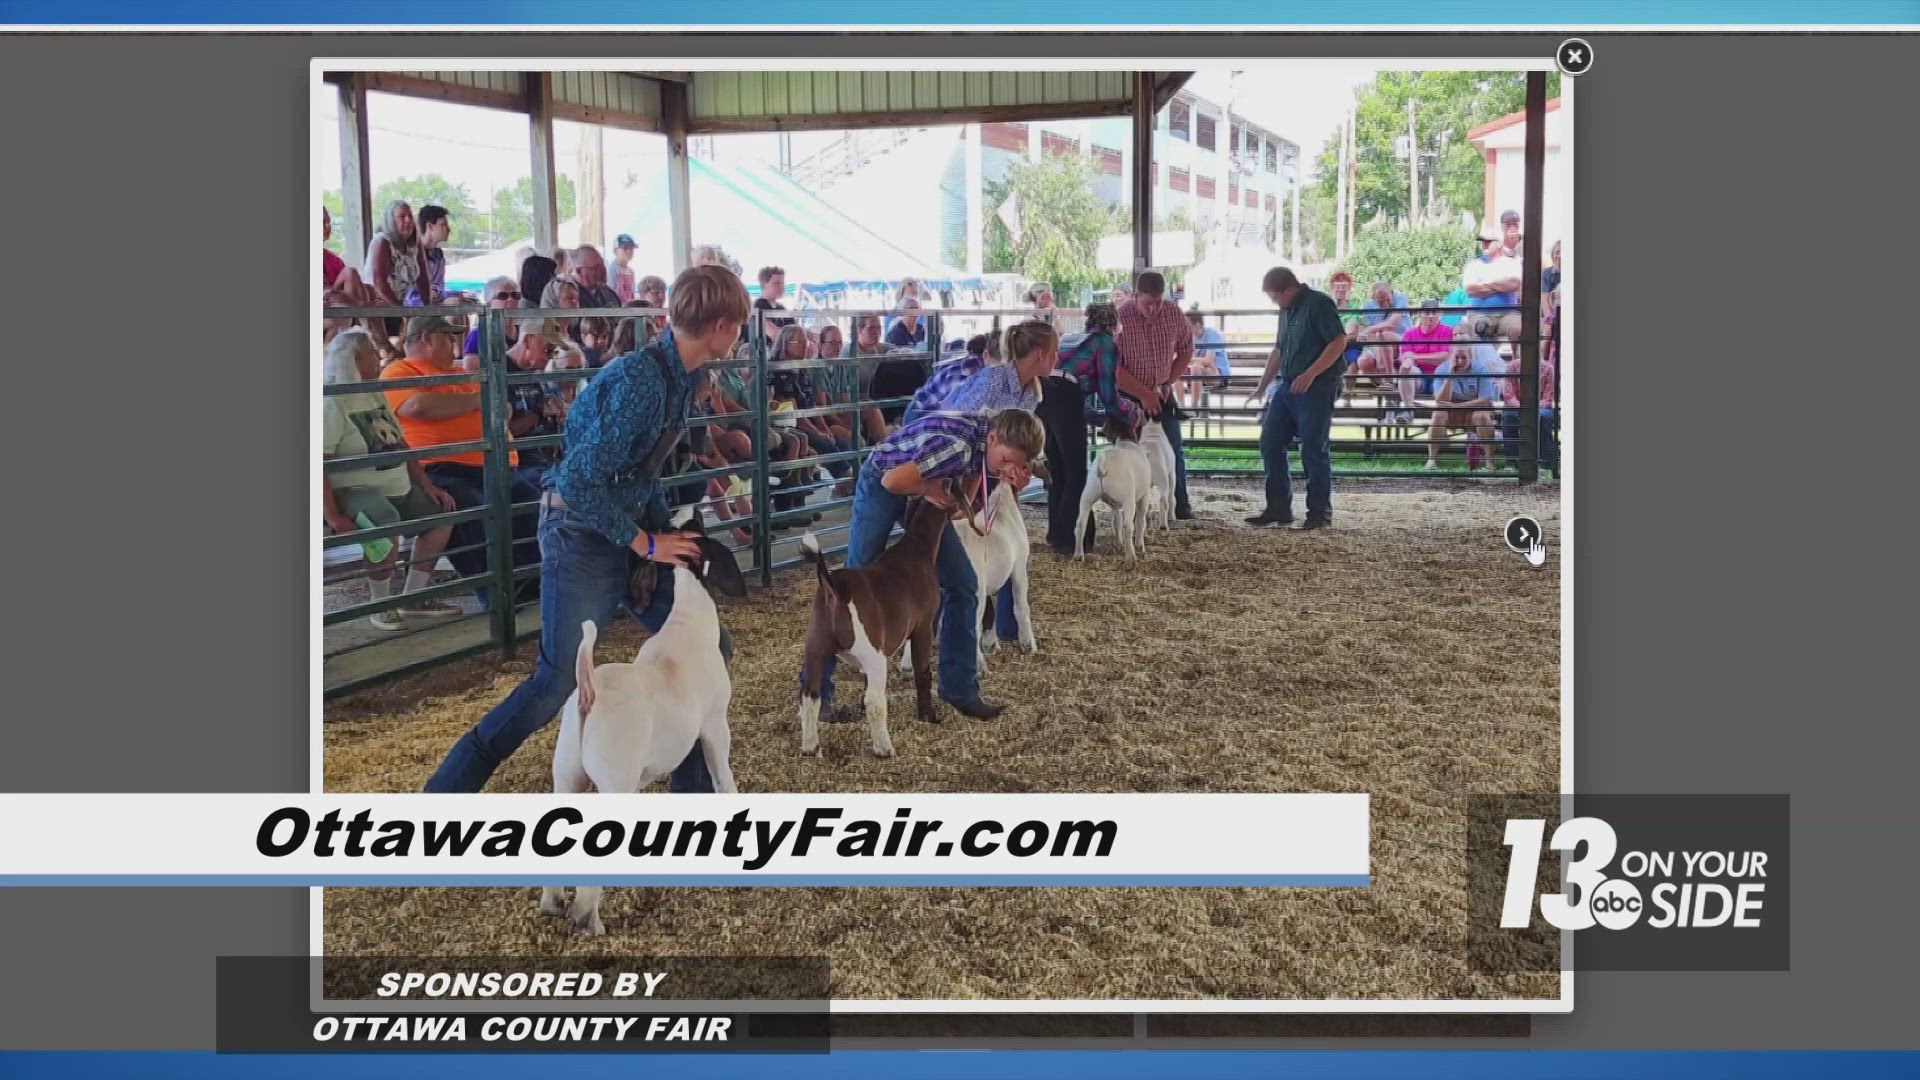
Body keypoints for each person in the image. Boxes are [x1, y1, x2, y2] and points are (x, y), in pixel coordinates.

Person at [423, 265, 752, 794]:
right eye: (738, 323)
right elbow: (578, 480)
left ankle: (689, 802)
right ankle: (442, 796)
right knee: (555, 682)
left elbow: (642, 469)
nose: (740, 333)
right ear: (720, 325)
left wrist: (664, 531)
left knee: (710, 651)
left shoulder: (681, 378)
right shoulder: (643, 380)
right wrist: (646, 542)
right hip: (581, 532)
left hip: (626, 529)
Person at [799, 408, 1047, 724]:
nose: (1009, 468)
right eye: (1007, 460)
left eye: (1018, 465)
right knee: (852, 580)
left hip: (924, 487)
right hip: (884, 481)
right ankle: (816, 693)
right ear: (994, 438)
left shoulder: (985, 453)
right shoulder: (957, 446)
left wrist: (979, 490)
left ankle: (960, 689)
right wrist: (931, 490)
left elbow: (962, 510)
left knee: (963, 583)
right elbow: (892, 480)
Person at [381, 315, 543, 607]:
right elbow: (418, 406)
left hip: (496, 465)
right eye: (447, 338)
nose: (454, 344)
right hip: (440, 466)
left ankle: (532, 584)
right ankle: (496, 594)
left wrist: (486, 401)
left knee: (532, 505)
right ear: (427, 339)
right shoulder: (400, 371)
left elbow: (502, 409)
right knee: (471, 509)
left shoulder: (459, 372)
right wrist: (479, 400)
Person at [322, 328, 459, 631]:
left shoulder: (373, 390)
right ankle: (380, 604)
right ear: (354, 359)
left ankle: (413, 597)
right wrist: (332, 513)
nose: (378, 357)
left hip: (396, 482)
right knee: (385, 520)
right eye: (372, 353)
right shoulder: (333, 400)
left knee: (442, 514)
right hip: (354, 488)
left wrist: (427, 485)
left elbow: (400, 443)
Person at [1246, 267, 1348, 529]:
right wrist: (1261, 387)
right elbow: (1278, 350)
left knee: (1313, 448)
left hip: (1319, 383)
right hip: (1291, 383)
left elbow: (1338, 341)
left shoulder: (1319, 304)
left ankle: (1319, 513)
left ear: (1290, 289)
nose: (1275, 302)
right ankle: (1279, 508)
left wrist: (1311, 373)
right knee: (1270, 441)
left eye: (1275, 297)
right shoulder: (1287, 310)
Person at [1116, 270, 1195, 519]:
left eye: (1158, 301)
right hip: (1127, 393)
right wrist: (1144, 394)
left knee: (1172, 447)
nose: (1153, 308)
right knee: (1128, 449)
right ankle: (1130, 506)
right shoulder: (1119, 317)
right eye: (1148, 302)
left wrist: (1169, 381)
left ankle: (1179, 503)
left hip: (1161, 389)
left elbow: (1186, 348)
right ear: (1136, 295)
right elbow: (1112, 368)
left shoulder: (1173, 313)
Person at [1424, 343, 1505, 471]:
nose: (1460, 361)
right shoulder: (1442, 369)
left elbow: (1485, 400)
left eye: (1464, 358)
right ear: (1451, 357)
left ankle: (1490, 462)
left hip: (1473, 412)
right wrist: (1450, 376)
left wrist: (1457, 405)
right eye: (1456, 357)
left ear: (1470, 357)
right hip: (1451, 412)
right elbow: (1440, 401)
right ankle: (1431, 460)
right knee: (1438, 414)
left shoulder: (1481, 369)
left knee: (1483, 416)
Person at [362, 200, 423, 346]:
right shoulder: (382, 242)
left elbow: (423, 279)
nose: (408, 220)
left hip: (407, 303)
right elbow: (379, 283)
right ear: (391, 220)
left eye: (409, 216)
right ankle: (390, 349)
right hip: (385, 304)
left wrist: (427, 305)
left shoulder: (413, 245)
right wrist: (400, 309)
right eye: (402, 217)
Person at [1463, 216, 1525, 347]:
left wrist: (1485, 285)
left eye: (1489, 241)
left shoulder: (1511, 263)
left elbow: (1514, 284)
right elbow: (1470, 290)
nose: (1484, 244)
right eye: (1483, 241)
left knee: (1518, 330)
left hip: (1508, 313)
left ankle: (1518, 363)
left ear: (1499, 243)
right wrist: (1500, 286)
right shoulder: (1473, 265)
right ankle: (1486, 365)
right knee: (1480, 328)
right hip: (1480, 313)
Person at [1393, 300, 1454, 425]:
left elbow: (1444, 356)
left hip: (1439, 377)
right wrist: (1409, 360)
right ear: (1421, 314)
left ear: (1439, 314)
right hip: (1419, 378)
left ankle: (1445, 416)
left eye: (1434, 312)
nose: (1431, 316)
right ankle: (1408, 410)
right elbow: (1405, 357)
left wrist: (1415, 356)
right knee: (1406, 368)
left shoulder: (1447, 331)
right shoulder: (1409, 334)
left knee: (1445, 371)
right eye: (1427, 312)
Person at [1352, 279, 1409, 382]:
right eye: (1381, 302)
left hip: (1401, 340)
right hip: (1379, 344)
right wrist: (1379, 358)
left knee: (1385, 335)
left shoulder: (1401, 298)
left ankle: (1389, 379)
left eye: (1388, 300)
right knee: (1363, 361)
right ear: (1373, 299)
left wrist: (1369, 329)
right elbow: (1370, 336)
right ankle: (1384, 386)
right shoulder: (1368, 306)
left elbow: (1391, 324)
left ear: (1391, 293)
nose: (1386, 304)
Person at [461, 276, 522, 371]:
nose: (511, 300)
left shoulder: (523, 332)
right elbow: (470, 371)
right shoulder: (479, 334)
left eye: (515, 295)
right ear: (489, 303)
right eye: (503, 296)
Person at [1184, 309, 1231, 409]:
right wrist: (1198, 360)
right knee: (1178, 369)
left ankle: (1194, 408)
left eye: (1187, 325)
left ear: (1197, 324)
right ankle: (1180, 406)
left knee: (1196, 367)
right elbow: (1185, 359)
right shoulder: (1191, 338)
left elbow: (1209, 360)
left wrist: (1194, 360)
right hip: (1201, 373)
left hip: (1218, 375)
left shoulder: (1211, 334)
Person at [408, 205, 452, 306]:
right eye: (443, 225)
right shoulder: (411, 255)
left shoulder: (438, 255)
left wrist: (435, 291)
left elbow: (440, 285)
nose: (449, 229)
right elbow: (407, 293)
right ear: (430, 226)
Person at [571, 245, 621, 310]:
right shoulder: (570, 296)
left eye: (601, 267)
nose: (600, 272)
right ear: (579, 271)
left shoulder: (609, 294)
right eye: (594, 268)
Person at [609, 233, 638, 304]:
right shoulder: (610, 269)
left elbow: (632, 294)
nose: (629, 251)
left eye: (631, 249)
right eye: (625, 248)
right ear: (615, 251)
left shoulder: (631, 271)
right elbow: (609, 294)